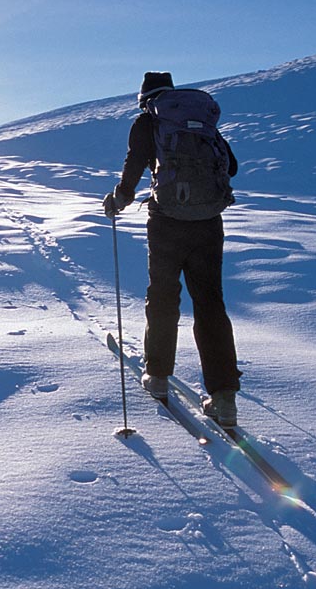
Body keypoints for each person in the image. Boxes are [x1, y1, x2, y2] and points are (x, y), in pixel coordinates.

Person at [103, 71, 243, 428]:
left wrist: (120, 198)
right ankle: (224, 397)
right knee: (210, 303)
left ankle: (158, 374)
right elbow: (233, 166)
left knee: (164, 296)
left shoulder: (149, 121)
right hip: (209, 221)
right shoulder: (199, 120)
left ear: (145, 97)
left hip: (166, 221)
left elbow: (135, 164)